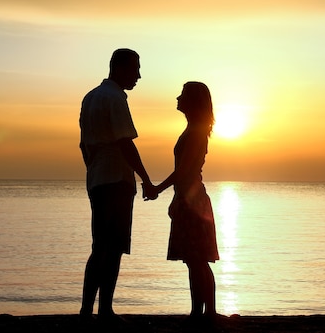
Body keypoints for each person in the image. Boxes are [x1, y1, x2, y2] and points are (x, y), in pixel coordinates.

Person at [79, 48, 156, 323]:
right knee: (112, 248)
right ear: (120, 68)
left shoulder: (90, 98)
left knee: (100, 245)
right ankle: (104, 310)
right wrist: (146, 179)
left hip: (98, 179)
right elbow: (126, 143)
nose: (138, 75)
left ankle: (88, 309)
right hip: (117, 180)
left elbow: (83, 145)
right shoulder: (115, 99)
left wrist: (93, 169)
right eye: (135, 69)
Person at [146, 81, 220, 323]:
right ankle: (198, 311)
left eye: (183, 95)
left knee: (197, 258)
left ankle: (207, 312)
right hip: (188, 196)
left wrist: (159, 189)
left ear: (193, 102)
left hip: (193, 199)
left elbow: (184, 170)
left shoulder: (196, 131)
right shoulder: (192, 130)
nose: (177, 98)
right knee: (192, 259)